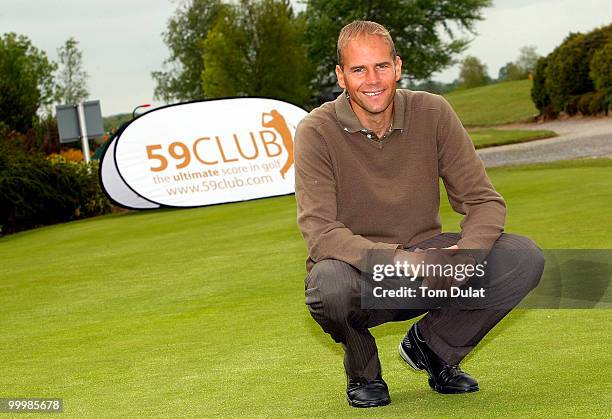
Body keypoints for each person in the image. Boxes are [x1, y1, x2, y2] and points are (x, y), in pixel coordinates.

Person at [294, 20, 545, 408]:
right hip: (365, 270)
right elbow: (321, 232)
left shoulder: (433, 110)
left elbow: (483, 201)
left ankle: (434, 348)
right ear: (341, 77)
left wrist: (466, 255)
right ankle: (363, 372)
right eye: (359, 70)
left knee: (522, 257)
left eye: (381, 66)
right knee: (328, 286)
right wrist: (398, 260)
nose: (372, 79)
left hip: (431, 263)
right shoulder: (316, 130)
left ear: (398, 66)